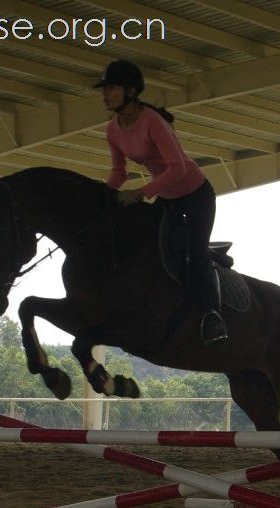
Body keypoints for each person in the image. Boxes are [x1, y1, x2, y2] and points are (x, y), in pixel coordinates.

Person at [95, 59, 228, 347]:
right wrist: (101, 197)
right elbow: (119, 172)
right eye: (104, 89)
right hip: (167, 198)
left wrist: (139, 193)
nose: (105, 94)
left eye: (112, 88)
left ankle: (213, 315)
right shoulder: (112, 130)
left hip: (196, 196)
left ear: (131, 91)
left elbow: (178, 168)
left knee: (196, 252)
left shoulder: (151, 121)